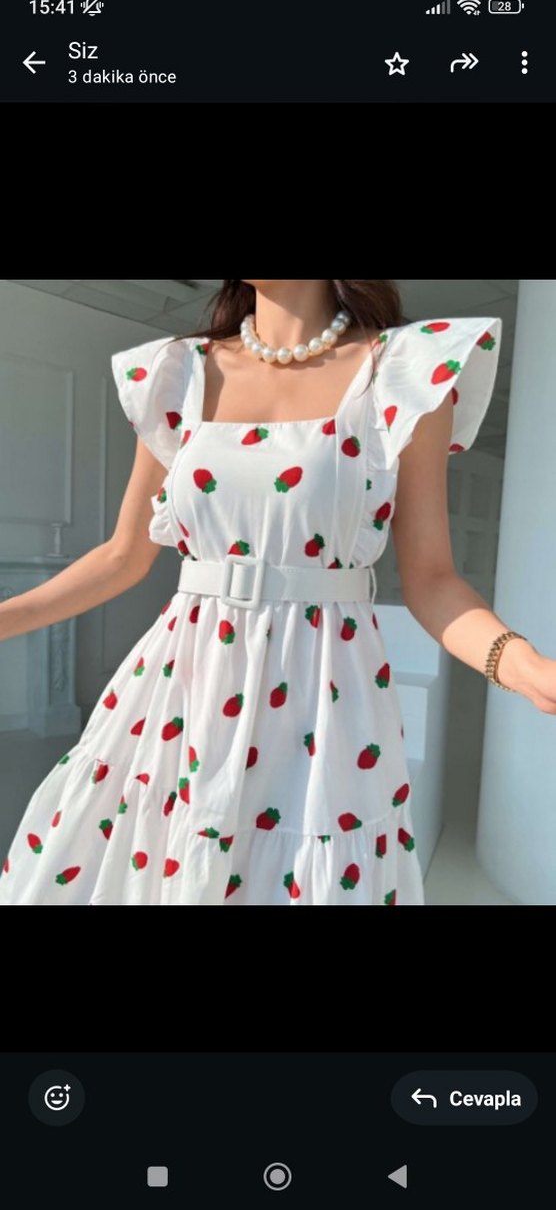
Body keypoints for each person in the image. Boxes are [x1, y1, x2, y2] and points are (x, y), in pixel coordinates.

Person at [0, 279, 551, 906]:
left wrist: (526, 667)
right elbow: (121, 557)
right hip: (184, 687)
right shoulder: (175, 373)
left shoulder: (405, 371)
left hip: (322, 697)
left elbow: (432, 580)